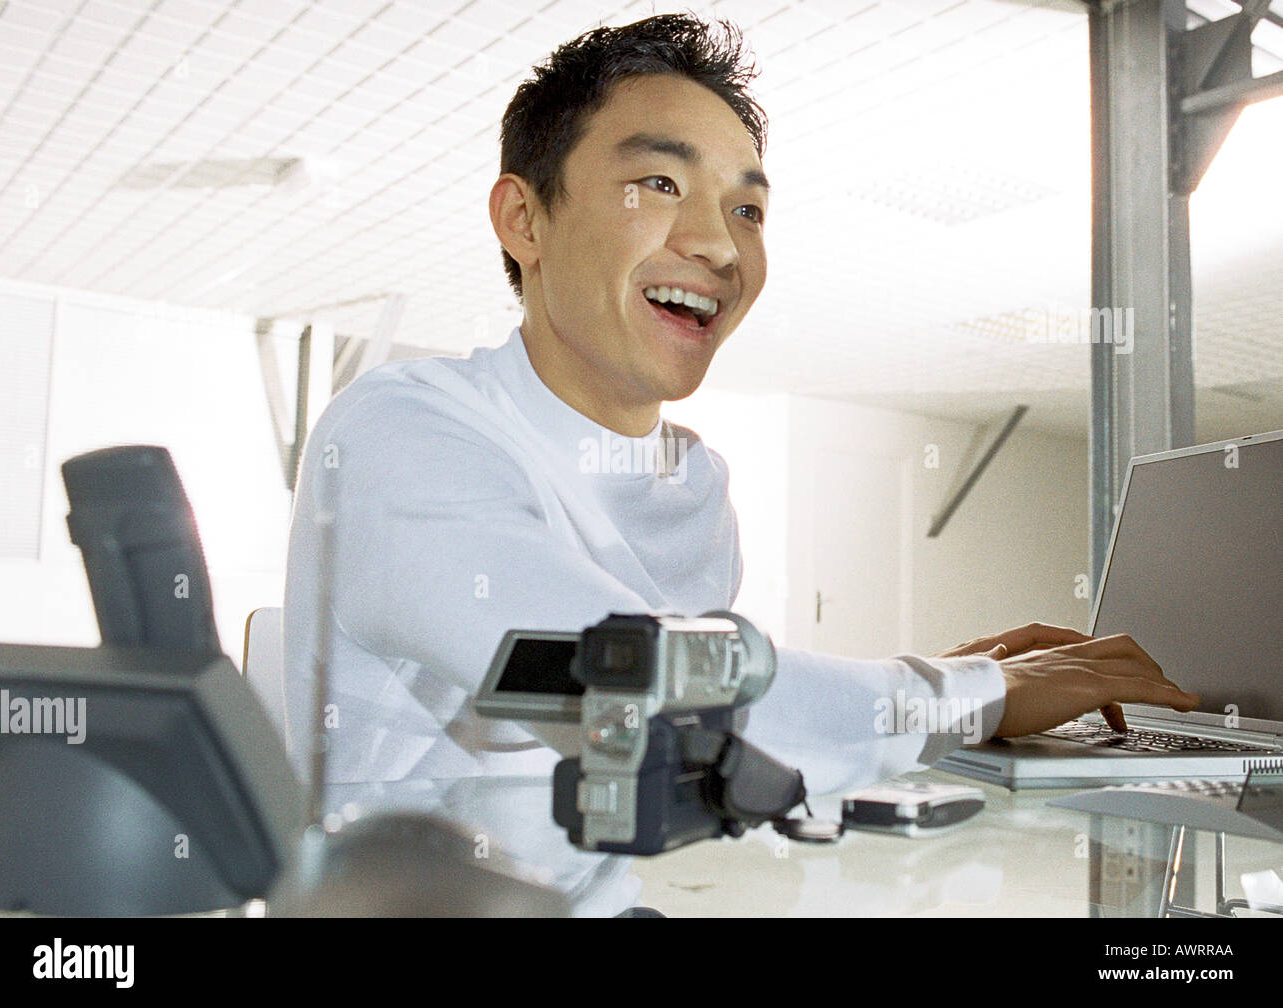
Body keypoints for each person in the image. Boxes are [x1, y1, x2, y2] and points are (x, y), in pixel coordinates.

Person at [283, 13, 1199, 916]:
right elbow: (649, 698)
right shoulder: (399, 429)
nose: (721, 246)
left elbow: (721, 725)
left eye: (747, 209)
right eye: (658, 182)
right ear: (525, 218)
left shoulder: (695, 487)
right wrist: (973, 694)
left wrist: (927, 685)